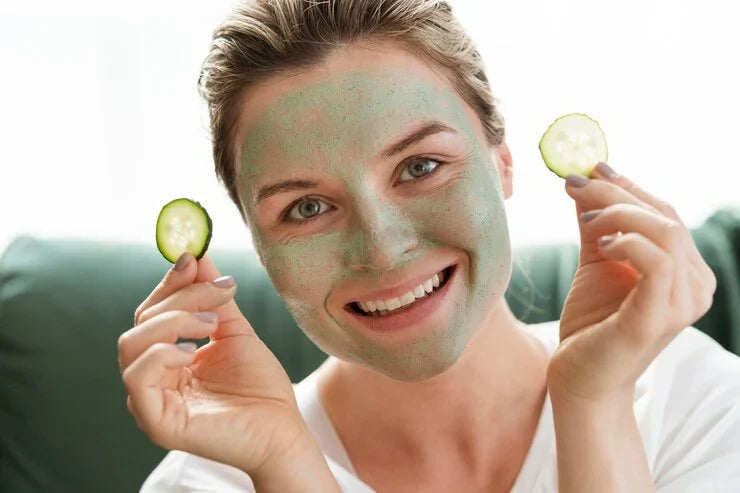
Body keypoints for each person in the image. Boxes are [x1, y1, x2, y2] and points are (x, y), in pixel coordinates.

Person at [117, 0, 740, 491]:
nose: (384, 251)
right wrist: (285, 465)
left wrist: (593, 403)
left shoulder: (695, 403)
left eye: (419, 167)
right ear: (257, 244)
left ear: (502, 163)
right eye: (307, 208)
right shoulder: (211, 479)